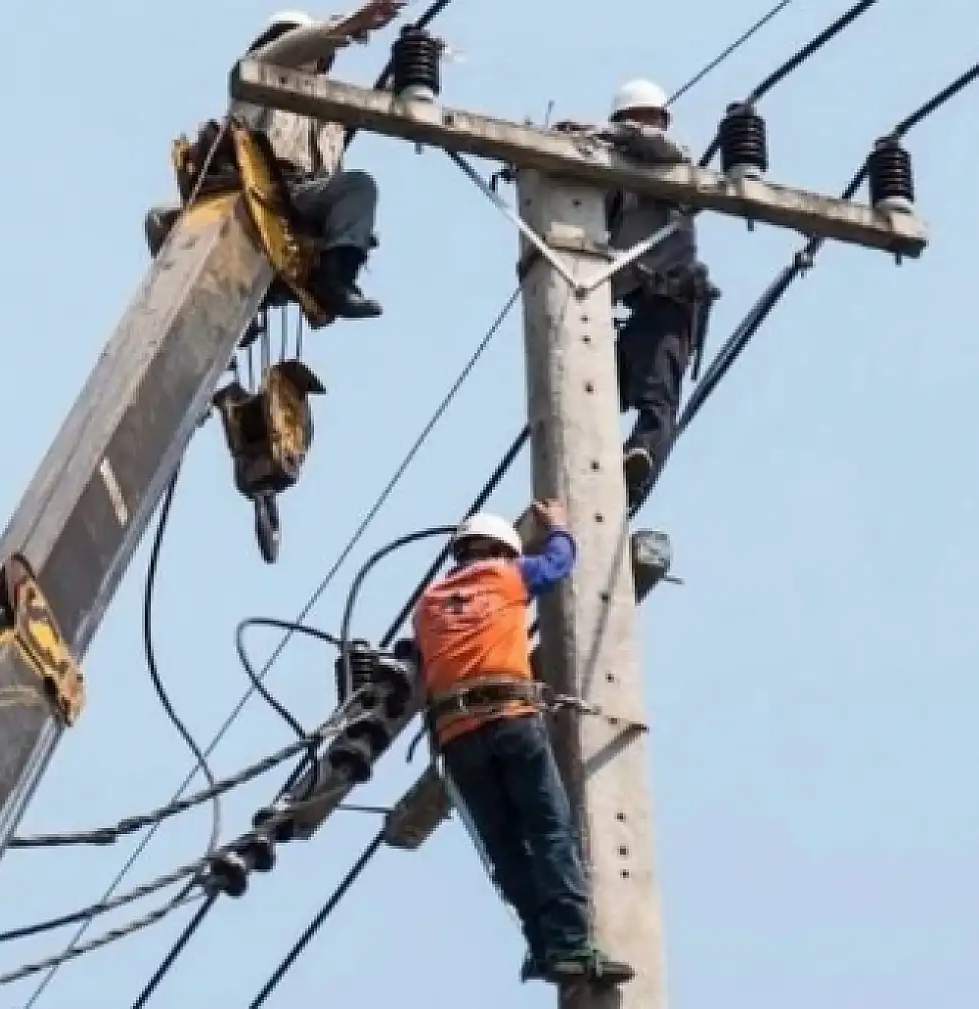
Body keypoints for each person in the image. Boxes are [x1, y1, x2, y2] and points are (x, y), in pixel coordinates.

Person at [413, 503, 633, 986]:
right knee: (550, 830)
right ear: (503, 551)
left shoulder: (427, 604)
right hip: (509, 720)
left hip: (457, 738)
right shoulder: (505, 575)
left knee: (507, 848)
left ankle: (541, 945)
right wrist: (558, 526)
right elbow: (558, 563)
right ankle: (570, 943)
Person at [145, 3, 403, 318]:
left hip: (300, 202)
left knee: (358, 187)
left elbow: (380, 104)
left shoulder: (330, 112)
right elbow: (290, 49)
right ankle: (198, 297)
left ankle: (335, 282)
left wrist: (413, 66)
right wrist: (349, 25)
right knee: (161, 218)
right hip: (252, 191)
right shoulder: (258, 74)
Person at [558, 78, 718, 509]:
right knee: (589, 391)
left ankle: (638, 465)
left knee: (657, 398)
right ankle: (588, 475)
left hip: (671, 306)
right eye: (634, 118)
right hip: (637, 310)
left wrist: (601, 131)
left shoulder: (672, 164)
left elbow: (659, 146)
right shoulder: (613, 182)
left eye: (649, 119)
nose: (644, 126)